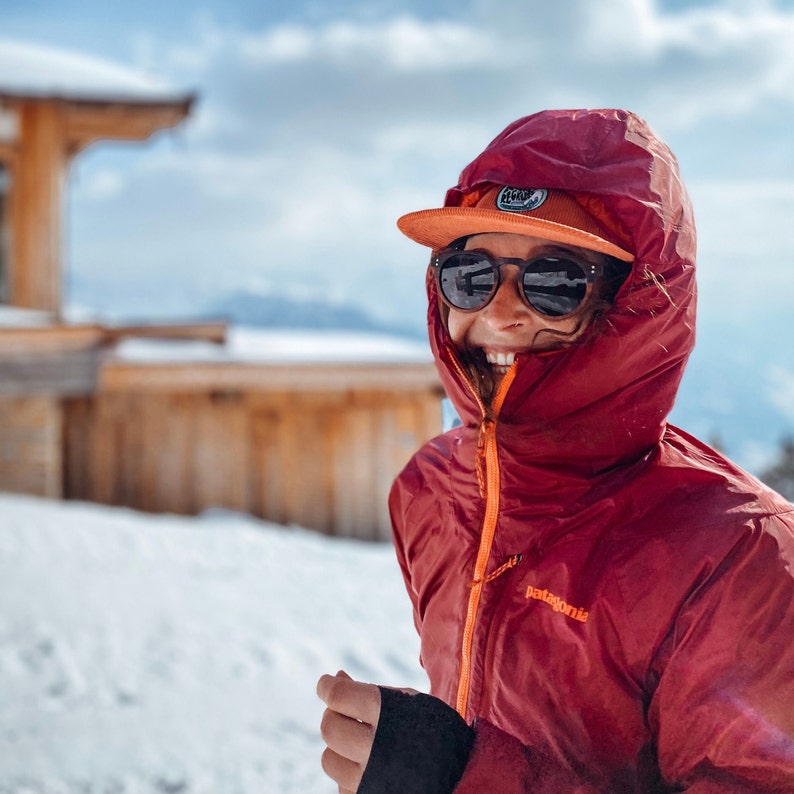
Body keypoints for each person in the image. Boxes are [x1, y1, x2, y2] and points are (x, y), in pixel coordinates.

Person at [316, 108, 794, 792]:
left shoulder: (738, 560)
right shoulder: (431, 491)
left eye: (556, 283)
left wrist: (462, 776)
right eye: (470, 275)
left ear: (637, 303)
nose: (501, 311)